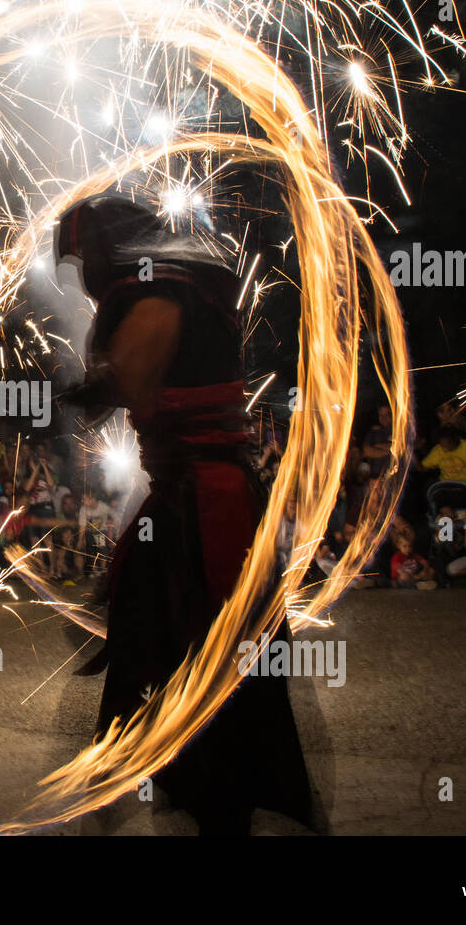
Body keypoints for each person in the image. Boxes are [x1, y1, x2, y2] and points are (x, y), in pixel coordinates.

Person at [56, 194, 325, 835]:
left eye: (85, 251)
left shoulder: (160, 285)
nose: (84, 267)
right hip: (195, 494)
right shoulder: (185, 278)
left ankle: (207, 797)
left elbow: (129, 380)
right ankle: (165, 778)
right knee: (164, 641)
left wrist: (77, 387)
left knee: (204, 653)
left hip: (207, 506)